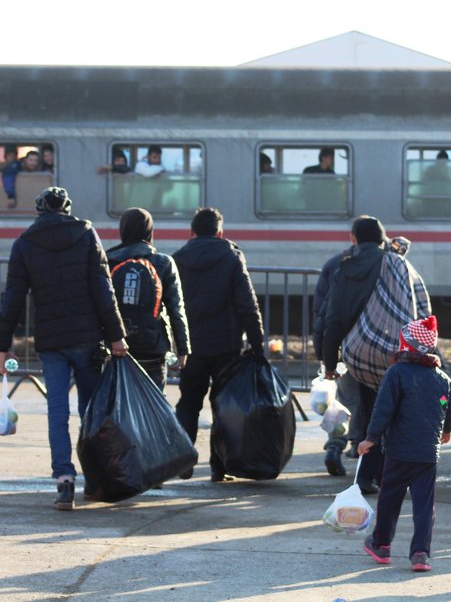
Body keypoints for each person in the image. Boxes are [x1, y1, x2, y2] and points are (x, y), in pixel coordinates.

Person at [0, 187, 127, 510]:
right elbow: (103, 289)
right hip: (86, 338)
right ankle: (96, 478)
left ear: (40, 211)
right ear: (67, 208)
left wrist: (3, 347)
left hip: (51, 341)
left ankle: (64, 481)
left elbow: (12, 300)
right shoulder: (85, 234)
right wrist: (116, 336)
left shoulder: (25, 243)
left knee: (57, 412)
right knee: (91, 411)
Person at [323, 216, 431, 494]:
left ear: (354, 239)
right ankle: (389, 477)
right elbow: (418, 304)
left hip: (359, 355)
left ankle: (365, 477)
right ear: (383, 238)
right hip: (396, 353)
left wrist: (330, 362)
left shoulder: (343, 267)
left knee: (373, 415)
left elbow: (333, 318)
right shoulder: (397, 264)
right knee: (396, 416)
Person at [360, 315, 451, 573]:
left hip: (398, 451)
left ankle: (381, 545)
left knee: (389, 499)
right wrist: (446, 430)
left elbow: (383, 410)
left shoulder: (396, 373)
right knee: (424, 505)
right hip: (427, 453)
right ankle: (420, 554)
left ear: (407, 345)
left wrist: (370, 438)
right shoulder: (442, 378)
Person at [172, 208, 265, 481]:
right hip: (225, 345)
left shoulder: (178, 258)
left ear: (191, 232)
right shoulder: (231, 256)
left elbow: (172, 305)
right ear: (220, 232)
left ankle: (183, 457)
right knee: (222, 405)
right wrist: (258, 345)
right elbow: (247, 304)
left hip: (190, 347)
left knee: (188, 402)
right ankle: (219, 466)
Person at [106, 208, 190, 390]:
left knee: (119, 405)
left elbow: (101, 304)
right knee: (154, 407)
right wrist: (183, 349)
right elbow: (177, 310)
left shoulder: (108, 260)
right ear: (150, 231)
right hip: (153, 348)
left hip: (117, 346)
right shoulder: (164, 262)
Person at [313, 240, 362, 474]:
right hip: (371, 349)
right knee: (368, 403)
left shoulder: (334, 265)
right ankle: (360, 452)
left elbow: (322, 313)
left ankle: (334, 447)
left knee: (341, 400)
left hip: (343, 348)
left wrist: (324, 355)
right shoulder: (382, 265)